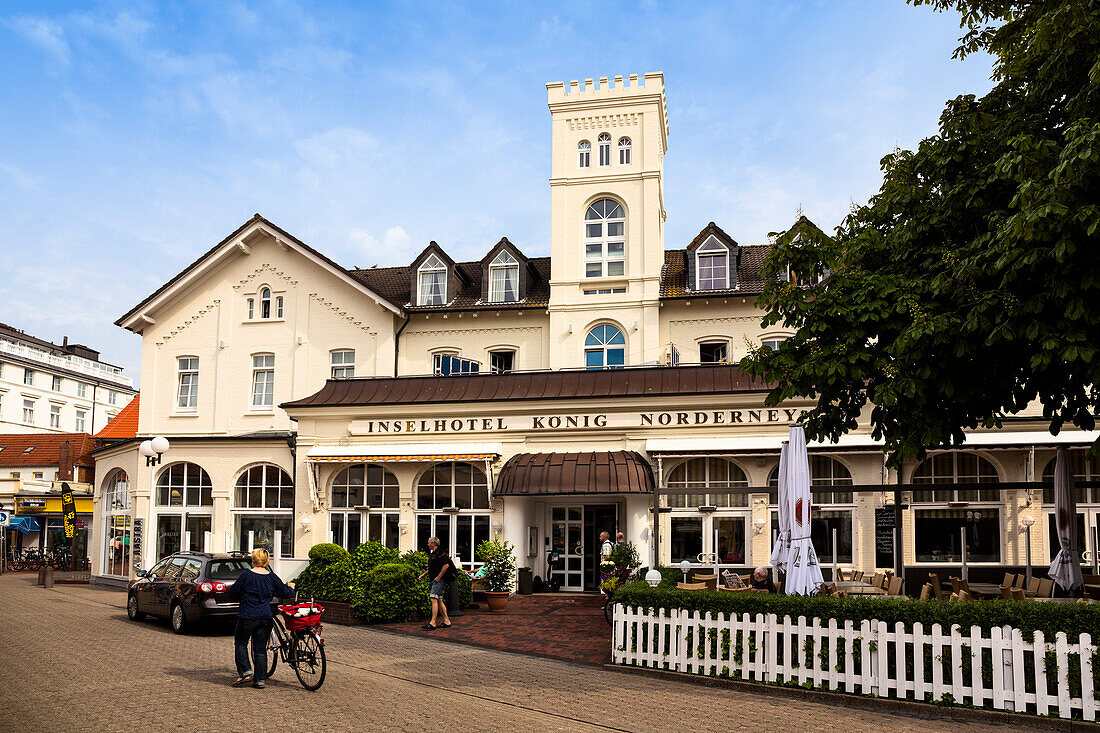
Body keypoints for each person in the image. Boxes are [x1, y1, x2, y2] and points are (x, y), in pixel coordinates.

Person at [228, 547, 295, 689]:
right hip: (265, 617)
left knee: (241, 644)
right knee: (260, 649)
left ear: (253, 560)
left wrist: (243, 597)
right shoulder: (271, 577)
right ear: (266, 560)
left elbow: (233, 593)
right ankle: (260, 680)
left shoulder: (246, 575)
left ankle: (245, 672)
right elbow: (285, 592)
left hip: (247, 616)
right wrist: (291, 587)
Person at [417, 536, 452, 630]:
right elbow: (433, 567)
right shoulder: (434, 554)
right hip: (435, 579)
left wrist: (438, 577)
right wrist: (424, 574)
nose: (427, 544)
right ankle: (447, 621)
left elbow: (446, 566)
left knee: (433, 598)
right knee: (439, 600)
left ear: (433, 543)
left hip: (438, 580)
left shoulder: (441, 553)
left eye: (429, 542)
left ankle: (432, 623)